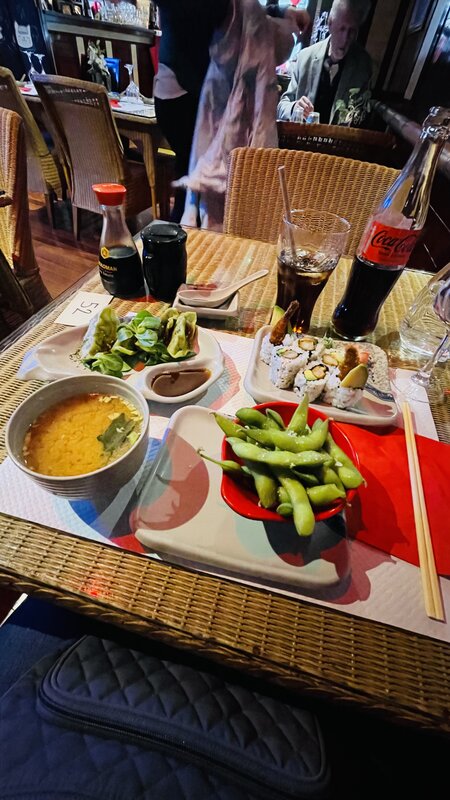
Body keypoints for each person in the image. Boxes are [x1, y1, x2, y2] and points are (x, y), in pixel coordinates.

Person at [154, 1, 310, 223]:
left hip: (196, 83)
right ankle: (189, 235)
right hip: (186, 87)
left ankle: (192, 233)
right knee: (199, 186)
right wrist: (273, 15)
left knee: (198, 186)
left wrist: (277, 11)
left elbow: (234, 8)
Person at [277, 0, 372, 126]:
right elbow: (281, 107)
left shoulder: (363, 65)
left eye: (352, 31)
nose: (345, 39)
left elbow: (363, 117)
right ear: (330, 23)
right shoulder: (305, 57)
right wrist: (294, 108)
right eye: (342, 29)